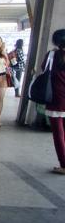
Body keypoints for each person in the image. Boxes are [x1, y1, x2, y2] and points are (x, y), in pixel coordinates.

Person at [44, 29, 65, 175]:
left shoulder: (52, 55)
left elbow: (44, 69)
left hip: (56, 99)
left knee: (58, 134)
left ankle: (64, 165)